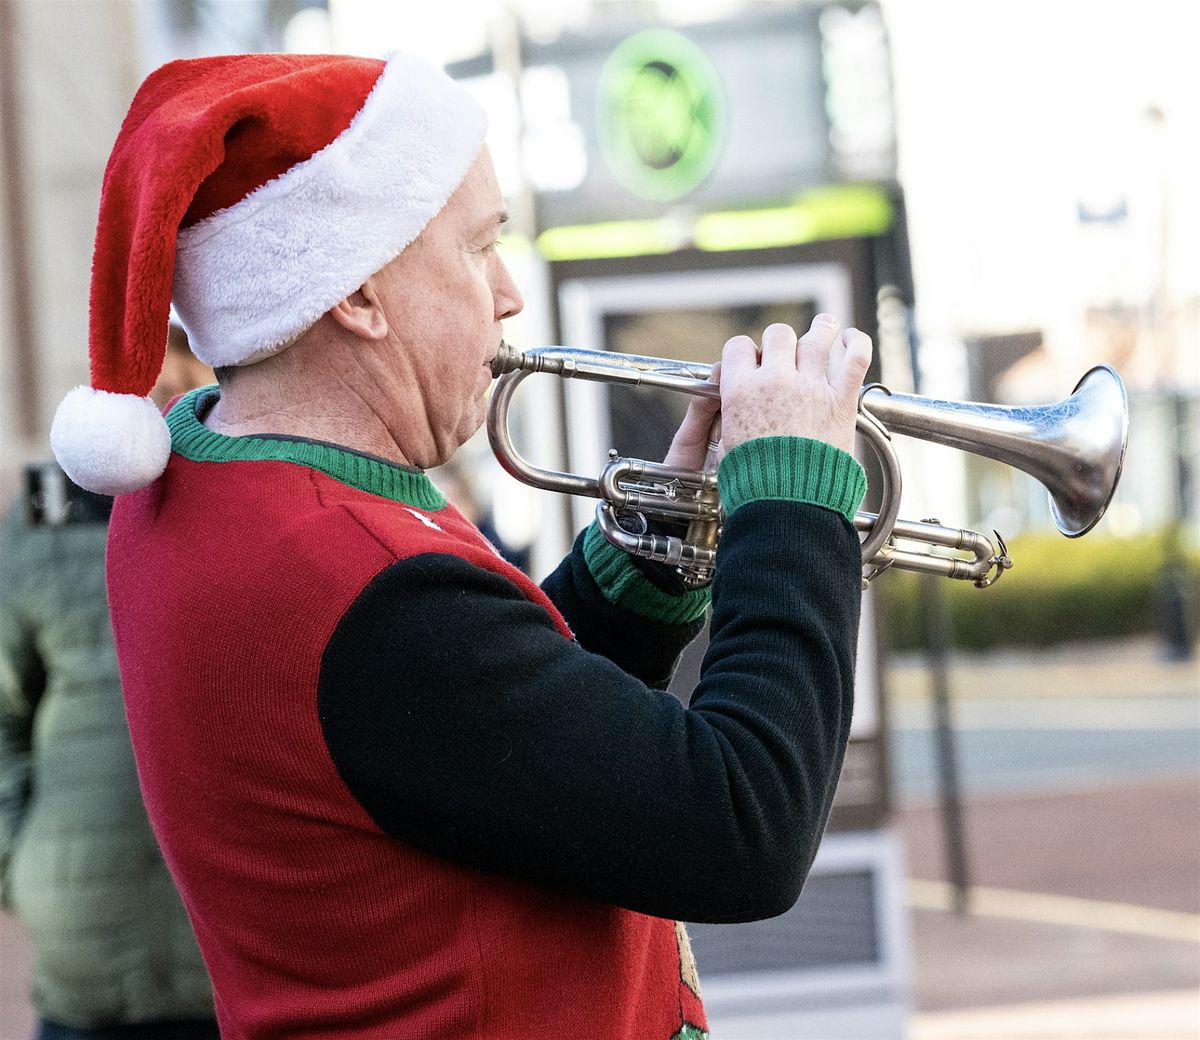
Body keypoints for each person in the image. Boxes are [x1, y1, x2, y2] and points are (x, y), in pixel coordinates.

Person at [48, 53, 872, 1040]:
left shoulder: (205, 468)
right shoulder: (356, 575)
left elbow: (470, 741)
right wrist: (793, 503)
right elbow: (745, 824)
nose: (510, 293)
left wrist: (651, 543)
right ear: (359, 291)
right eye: (479, 247)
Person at [0, 331, 218, 1040]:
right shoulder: (47, 512)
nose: (166, 382)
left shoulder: (258, 501)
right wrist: (20, 862)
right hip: (86, 956)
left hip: (234, 955)